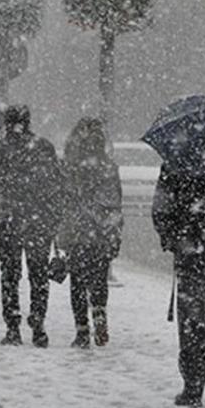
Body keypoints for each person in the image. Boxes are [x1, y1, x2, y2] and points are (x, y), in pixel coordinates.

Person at [0, 105, 63, 348]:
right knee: (38, 275)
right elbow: (57, 183)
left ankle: (13, 326)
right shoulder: (44, 147)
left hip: (10, 219)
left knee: (10, 275)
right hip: (39, 219)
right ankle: (38, 324)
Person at [152, 163, 205, 408]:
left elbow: (161, 209)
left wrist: (175, 240)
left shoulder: (178, 162)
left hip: (192, 257)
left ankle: (193, 387)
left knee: (192, 324)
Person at [57, 118, 123, 348]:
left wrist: (62, 233)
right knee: (99, 279)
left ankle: (82, 330)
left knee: (77, 282)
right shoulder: (108, 167)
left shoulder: (70, 166)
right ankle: (99, 312)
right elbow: (116, 202)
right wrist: (114, 231)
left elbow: (63, 202)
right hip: (101, 231)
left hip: (78, 231)